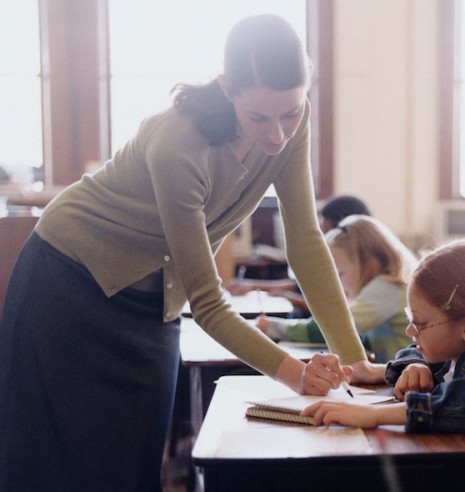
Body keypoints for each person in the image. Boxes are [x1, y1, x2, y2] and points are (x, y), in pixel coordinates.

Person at [0, 15, 370, 491]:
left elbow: (305, 242)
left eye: (291, 113)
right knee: (47, 466)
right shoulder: (179, 142)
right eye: (259, 117)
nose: (278, 133)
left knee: (133, 466)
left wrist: (353, 359)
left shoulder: (289, 125)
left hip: (153, 304)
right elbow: (210, 303)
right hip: (69, 284)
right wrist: (297, 376)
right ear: (226, 89)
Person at [303, 239, 465, 458]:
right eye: (411, 320)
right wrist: (413, 367)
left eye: (420, 324)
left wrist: (373, 414)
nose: (411, 332)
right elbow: (427, 355)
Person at [257, 214, 416, 362]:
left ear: (368, 263)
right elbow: (359, 336)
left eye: (339, 274)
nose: (337, 284)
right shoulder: (388, 286)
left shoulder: (386, 288)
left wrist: (272, 326)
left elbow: (337, 327)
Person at [224, 193, 372, 314]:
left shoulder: (365, 271)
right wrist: (251, 285)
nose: (325, 241)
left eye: (328, 233)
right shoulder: (345, 262)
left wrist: (294, 300)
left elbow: (342, 312)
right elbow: (302, 286)